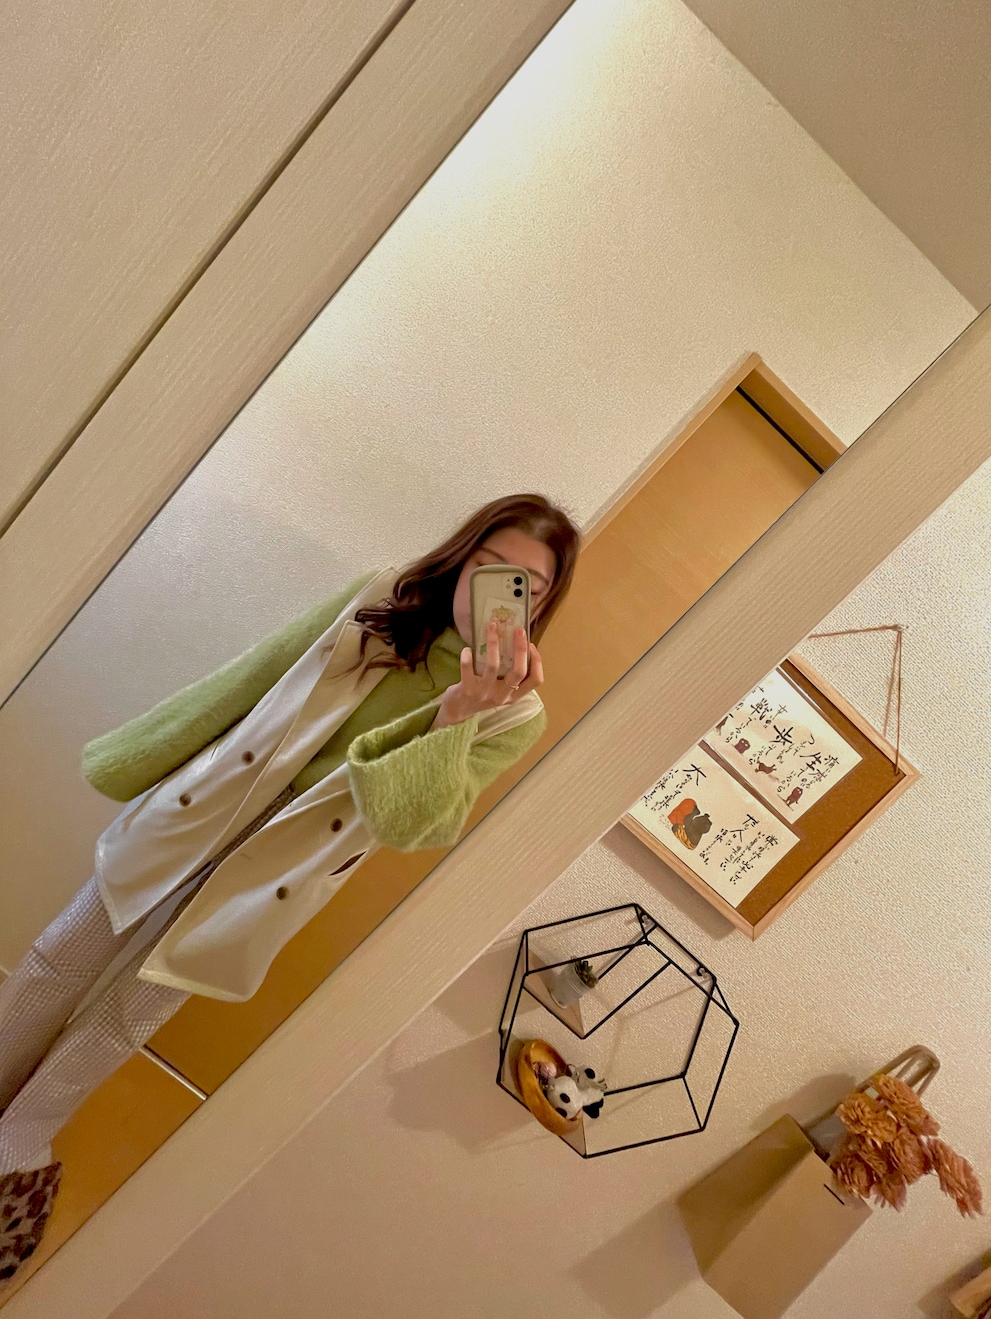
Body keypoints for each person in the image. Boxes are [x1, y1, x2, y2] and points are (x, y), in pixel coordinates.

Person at [0, 492, 579, 1280]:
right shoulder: (383, 600)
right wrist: (138, 755)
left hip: (286, 867)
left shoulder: (515, 717)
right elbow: (255, 676)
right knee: (58, 957)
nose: (499, 596)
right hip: (213, 804)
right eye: (490, 566)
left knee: (127, 1016)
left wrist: (460, 716)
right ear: (464, 557)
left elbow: (412, 825)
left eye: (526, 587)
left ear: (543, 602)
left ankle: (20, 1138)